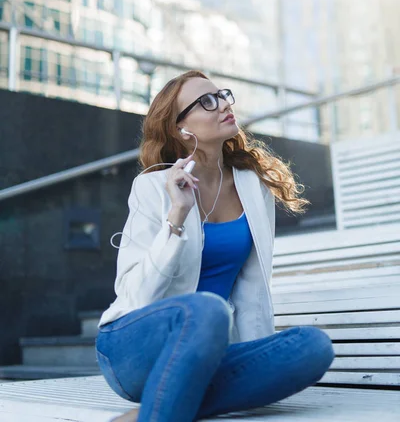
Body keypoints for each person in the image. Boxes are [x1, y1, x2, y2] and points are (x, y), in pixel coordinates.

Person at [95, 70, 335, 422]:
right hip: (135, 347)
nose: (223, 104)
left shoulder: (253, 186)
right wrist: (176, 215)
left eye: (222, 95)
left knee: (312, 347)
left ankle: (151, 411)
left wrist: (257, 353)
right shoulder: (153, 187)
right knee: (206, 309)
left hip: (209, 355)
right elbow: (135, 294)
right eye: (207, 101)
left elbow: (251, 289)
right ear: (181, 128)